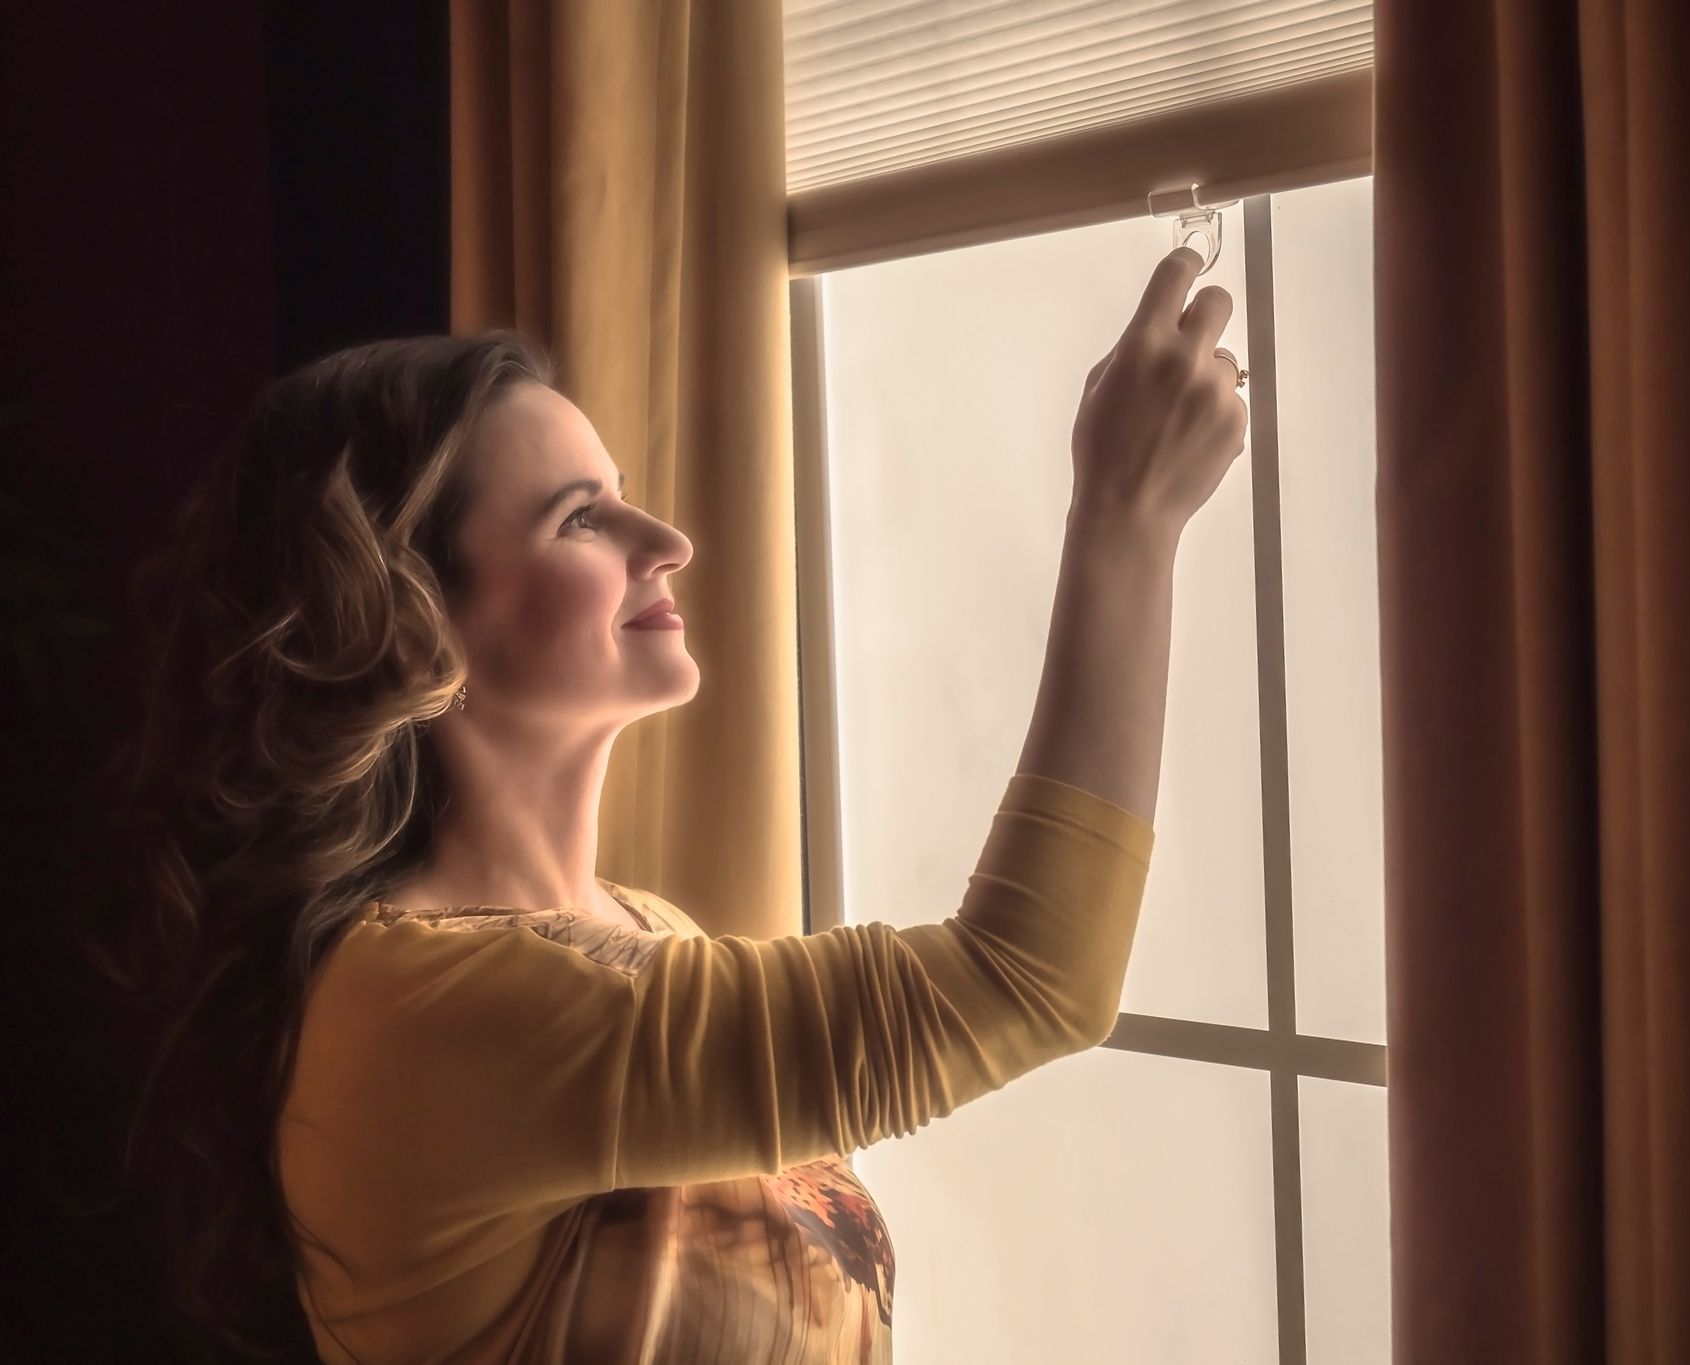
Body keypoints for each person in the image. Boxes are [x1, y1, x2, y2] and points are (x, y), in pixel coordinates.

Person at [82, 245, 1246, 1363]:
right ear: (408, 619)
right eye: (580, 518)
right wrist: (1126, 524)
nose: (670, 542)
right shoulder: (413, 1006)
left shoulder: (650, 933)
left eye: (622, 498)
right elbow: (1025, 979)